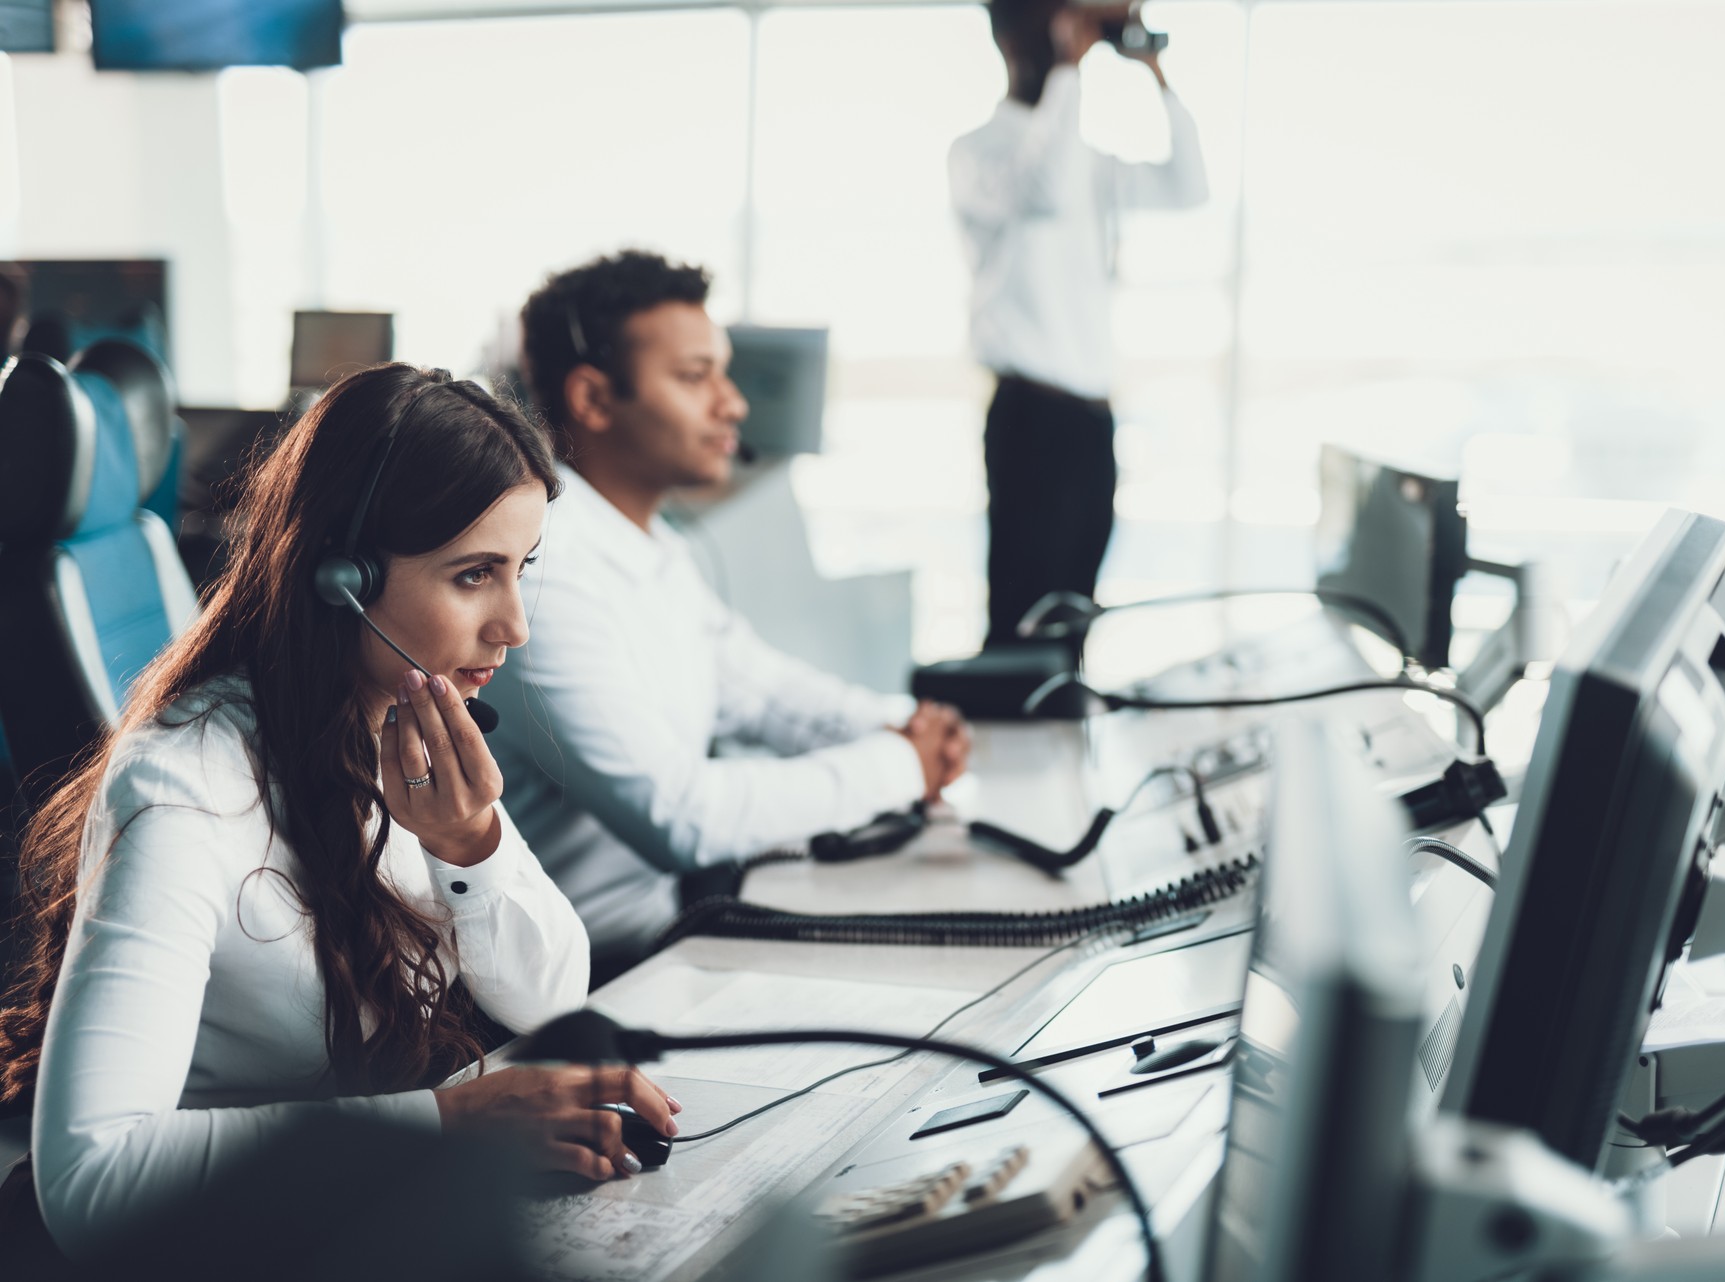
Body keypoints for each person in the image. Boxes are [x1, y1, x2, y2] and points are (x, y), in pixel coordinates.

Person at [0, 365, 678, 1257]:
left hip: (345, 1220)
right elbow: (92, 1179)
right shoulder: (183, 790)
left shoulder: (405, 726)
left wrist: (469, 846)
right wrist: (448, 1123)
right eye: (474, 575)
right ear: (340, 579)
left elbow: (552, 998)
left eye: (520, 570)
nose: (513, 625)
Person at [497, 251, 970, 979]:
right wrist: (901, 762)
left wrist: (902, 724)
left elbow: (762, 691)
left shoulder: (649, 546)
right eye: (695, 377)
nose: (733, 404)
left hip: (663, 936)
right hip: (584, 983)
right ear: (593, 399)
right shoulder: (536, 572)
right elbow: (680, 818)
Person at [951, 0, 1209, 648]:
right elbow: (1043, 191)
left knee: (1075, 615)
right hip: (1030, 418)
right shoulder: (978, 153)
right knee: (1022, 613)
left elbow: (1189, 186)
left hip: (1091, 422)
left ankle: (1060, 747)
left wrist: (1153, 73)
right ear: (1012, 42)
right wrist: (1068, 73)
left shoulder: (1085, 160)